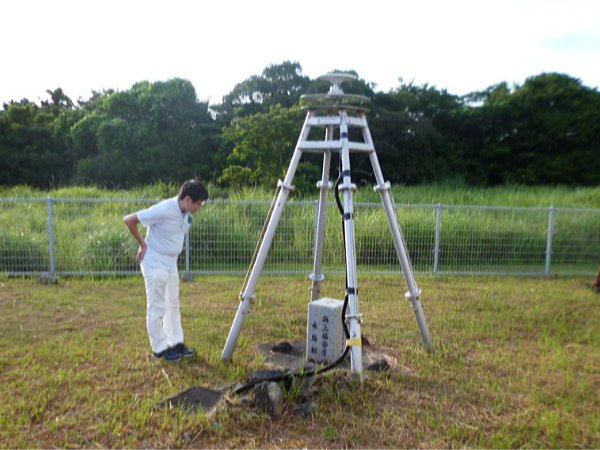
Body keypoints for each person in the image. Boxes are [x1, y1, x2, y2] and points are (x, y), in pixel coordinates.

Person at [124, 179, 208, 362]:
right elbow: (130, 220)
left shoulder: (185, 212)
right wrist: (143, 244)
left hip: (171, 263)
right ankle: (160, 348)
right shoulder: (165, 209)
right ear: (187, 199)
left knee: (173, 303)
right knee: (157, 306)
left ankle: (176, 342)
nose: (199, 207)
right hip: (155, 263)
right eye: (198, 203)